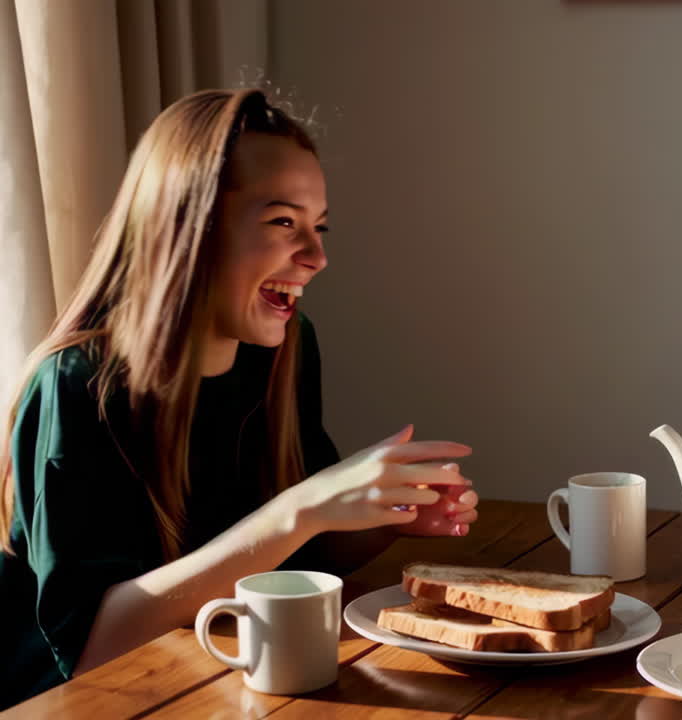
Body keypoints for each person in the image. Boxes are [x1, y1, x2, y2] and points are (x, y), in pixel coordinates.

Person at [0, 89, 481, 709]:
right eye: (284, 222)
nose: (316, 256)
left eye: (319, 226)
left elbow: (294, 556)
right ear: (186, 226)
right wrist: (300, 508)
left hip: (218, 677)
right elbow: (92, 648)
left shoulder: (285, 347)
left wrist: (383, 516)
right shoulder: (76, 386)